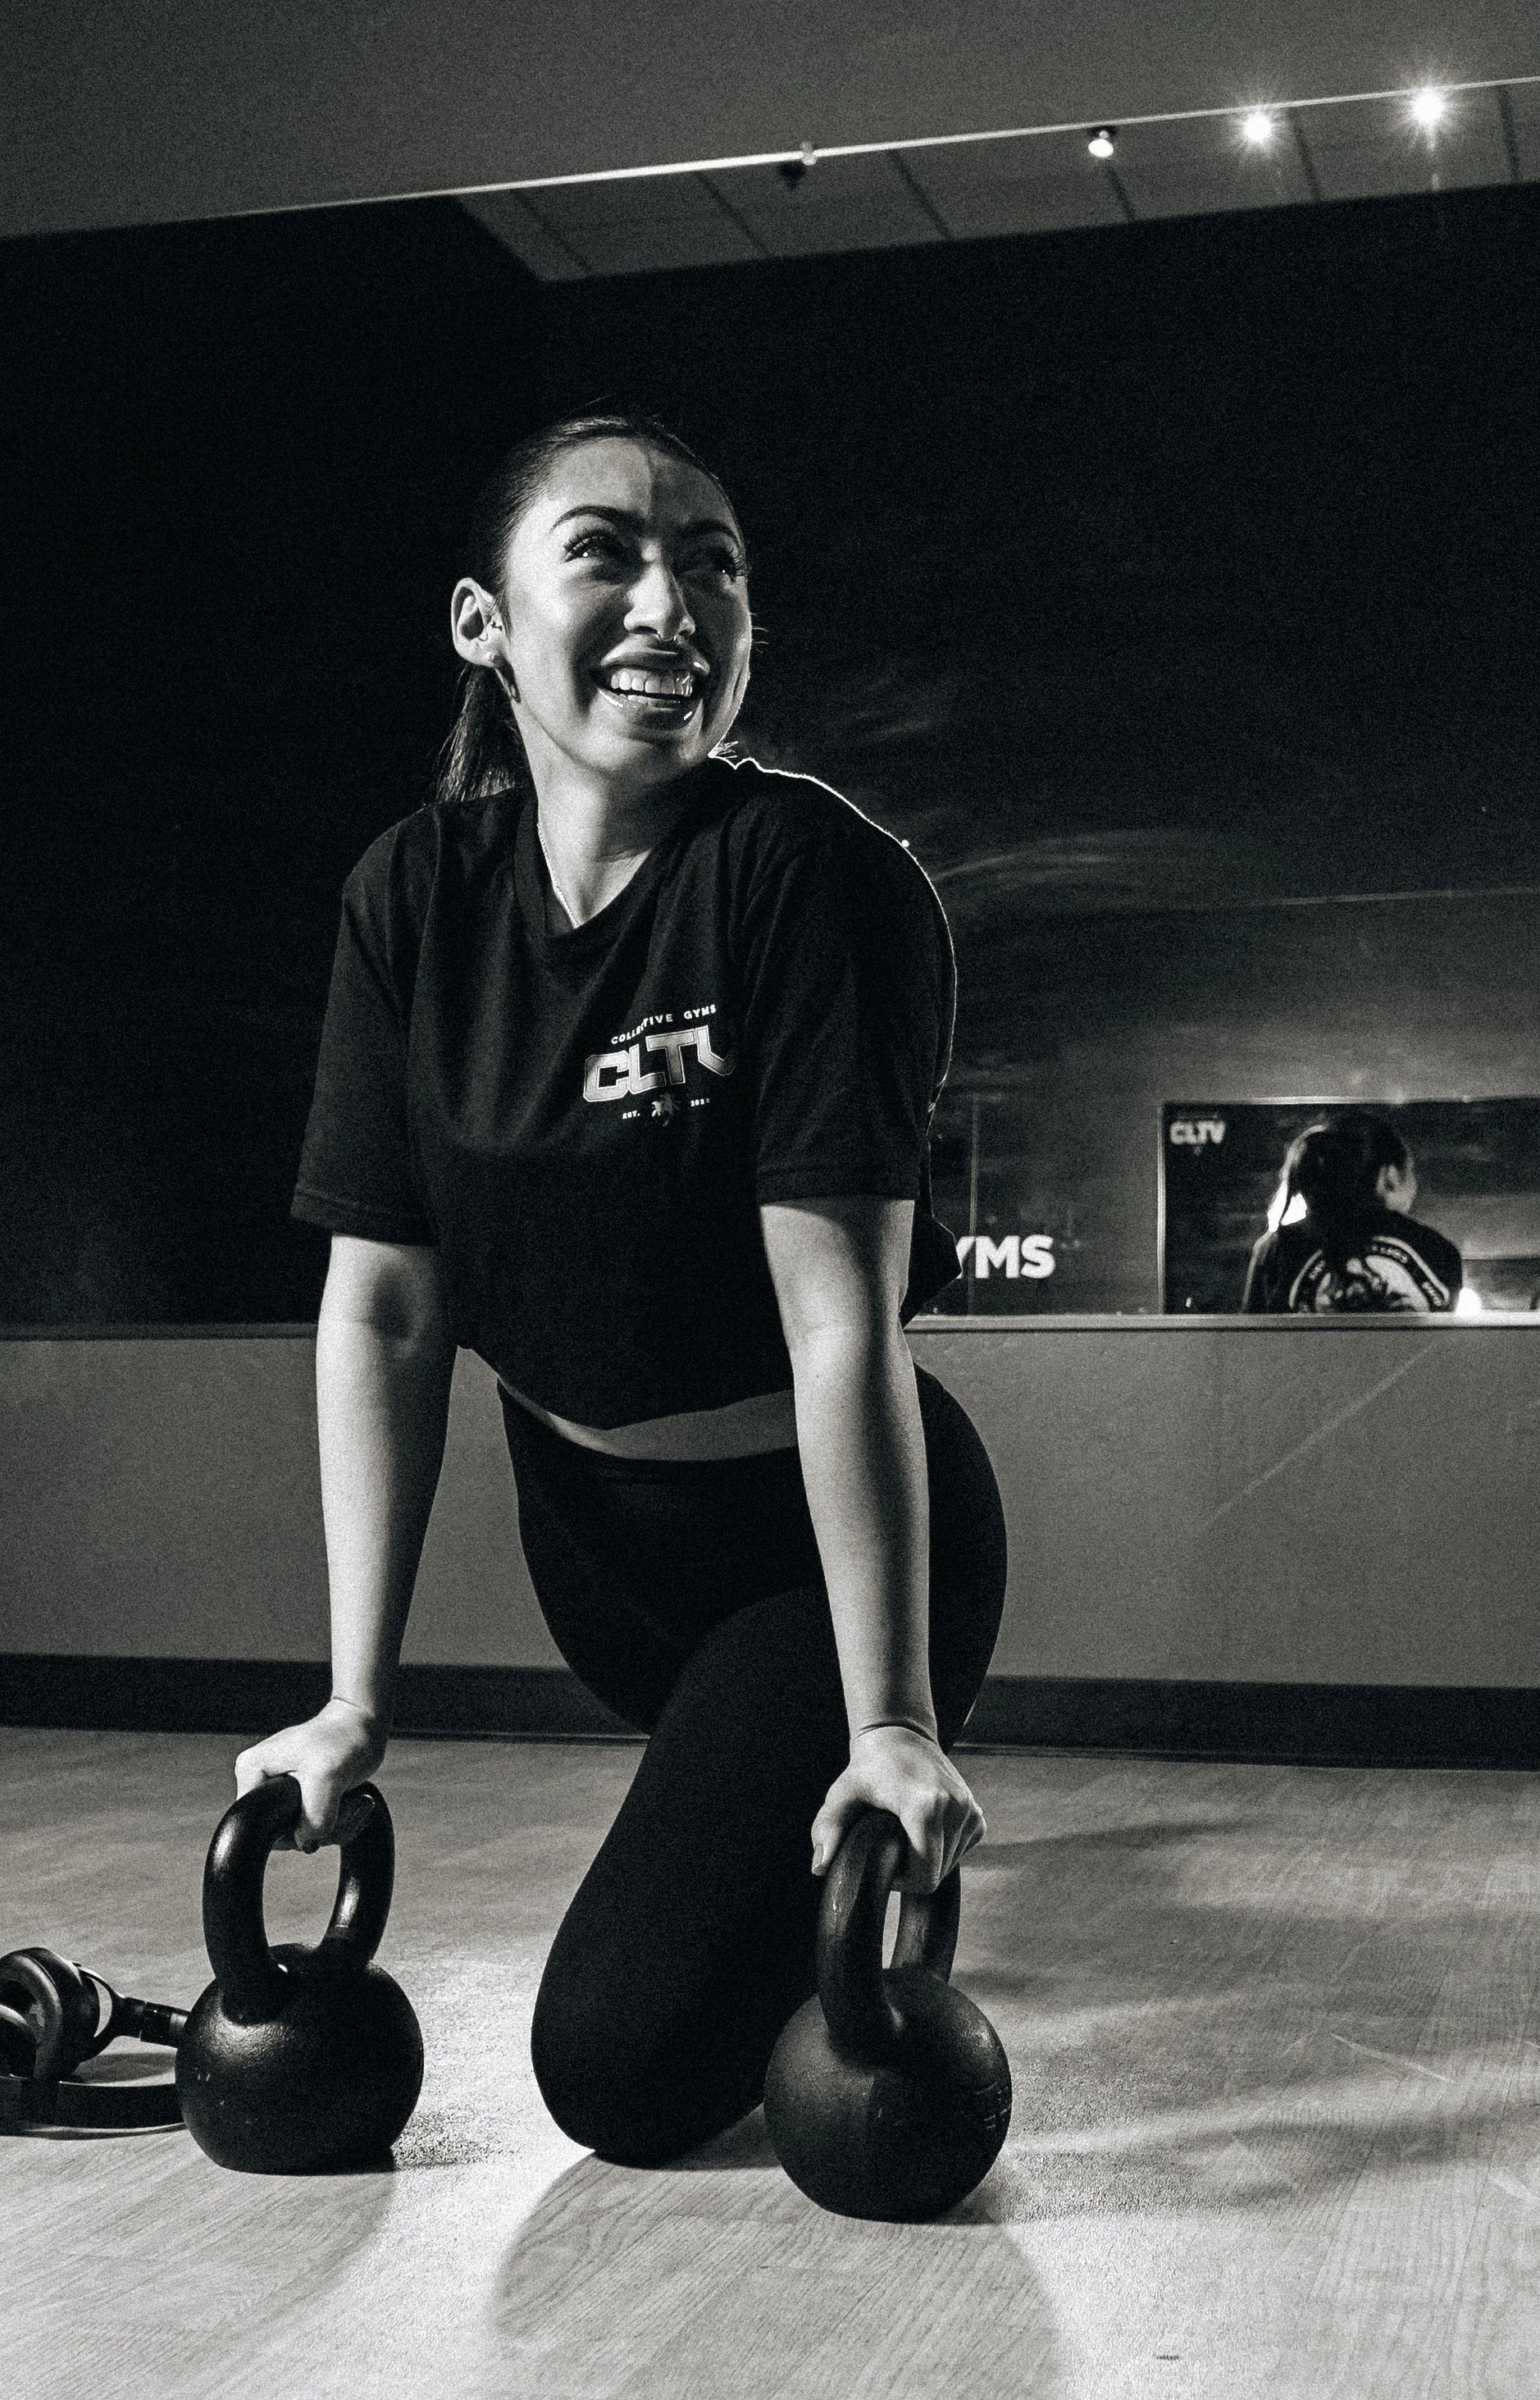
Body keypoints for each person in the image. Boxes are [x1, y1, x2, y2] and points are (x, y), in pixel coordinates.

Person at [235, 409, 1007, 2165]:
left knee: (623, 2068)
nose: (672, 600)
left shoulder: (807, 880)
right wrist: (356, 1694)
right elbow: (386, 1310)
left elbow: (837, 1319)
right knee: (703, 1874)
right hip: (594, 1536)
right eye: (606, 551)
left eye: (713, 563)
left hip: (819, 1546)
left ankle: (835, 1767)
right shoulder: (414, 895)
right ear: (480, 621)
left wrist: (886, 1715)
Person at [1242, 1112, 1464, 1314]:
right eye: (1411, 1170)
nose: (1415, 1183)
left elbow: (1249, 1345)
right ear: (1391, 1176)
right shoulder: (1439, 1251)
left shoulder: (1277, 1249)